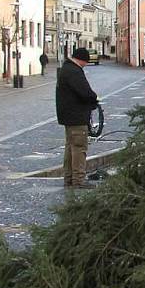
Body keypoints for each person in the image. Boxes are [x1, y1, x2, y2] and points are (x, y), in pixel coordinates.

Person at [56, 48, 98, 188]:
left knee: (70, 148)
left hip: (68, 116)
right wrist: (94, 99)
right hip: (77, 116)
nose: (86, 64)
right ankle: (79, 180)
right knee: (79, 148)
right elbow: (85, 92)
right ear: (81, 60)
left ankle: (69, 179)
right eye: (86, 62)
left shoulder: (66, 68)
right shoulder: (74, 71)